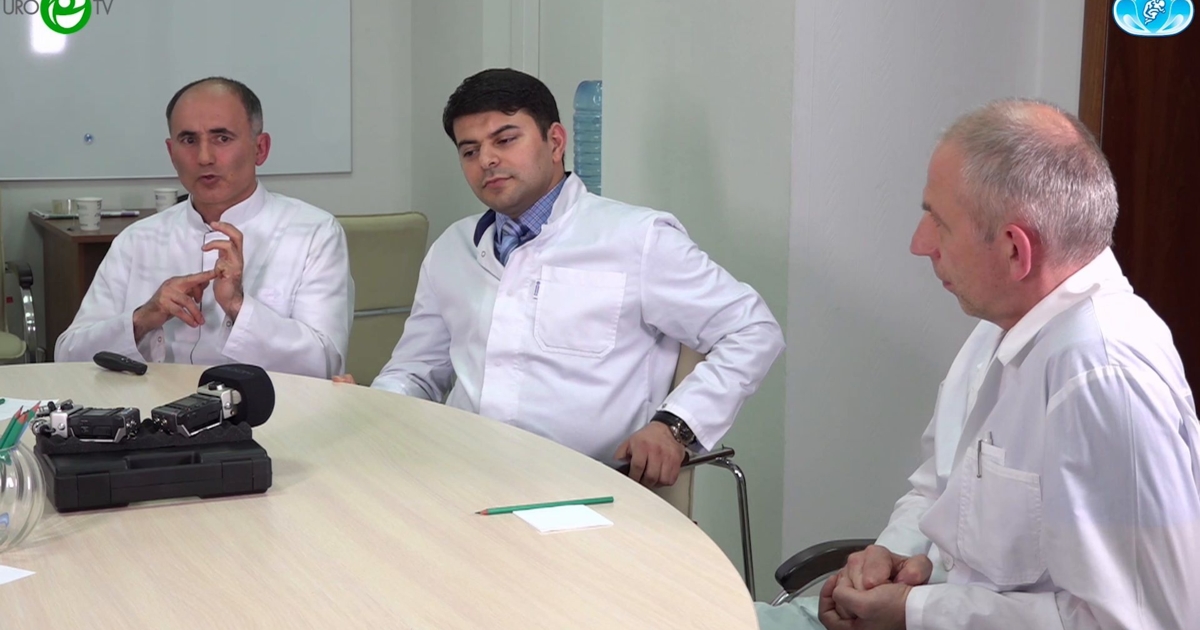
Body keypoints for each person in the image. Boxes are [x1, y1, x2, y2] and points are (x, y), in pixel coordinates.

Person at [757, 99, 1199, 630]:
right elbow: (939, 487)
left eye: (939, 223)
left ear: (1015, 250)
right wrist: (891, 559)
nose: (919, 244)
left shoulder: (1102, 375)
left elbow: (1144, 623)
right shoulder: (1005, 323)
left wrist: (914, 612)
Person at [341, 68, 784, 487]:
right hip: (459, 476)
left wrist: (675, 426)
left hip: (587, 490)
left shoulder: (637, 238)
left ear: (555, 141)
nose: (487, 160)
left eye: (505, 139)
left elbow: (752, 330)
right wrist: (372, 406)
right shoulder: (452, 249)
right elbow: (417, 371)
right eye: (470, 150)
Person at [55, 77, 353, 379]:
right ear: (171, 153)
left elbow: (326, 365)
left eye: (222, 138)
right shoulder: (137, 239)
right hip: (151, 405)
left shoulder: (313, 233)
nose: (204, 157)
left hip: (267, 407)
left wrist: (237, 306)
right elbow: (67, 357)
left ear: (260, 148)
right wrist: (143, 319)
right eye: (188, 140)